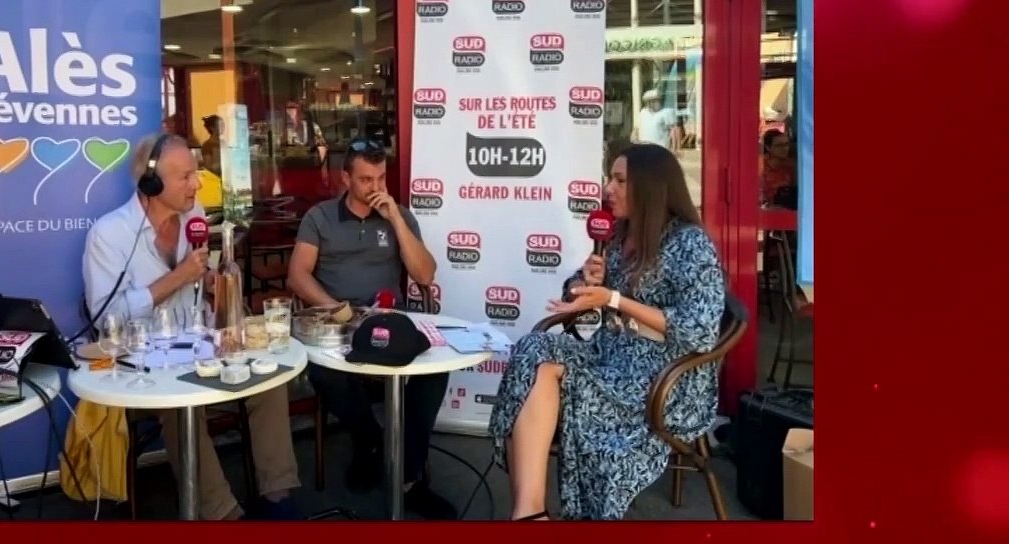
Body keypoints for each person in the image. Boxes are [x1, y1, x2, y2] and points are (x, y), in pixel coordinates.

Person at [488, 143, 726, 521]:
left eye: (619, 180)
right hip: (612, 355)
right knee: (534, 349)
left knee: (545, 368)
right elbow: (585, 293)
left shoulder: (690, 244)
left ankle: (529, 516)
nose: (607, 188)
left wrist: (614, 299)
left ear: (650, 187)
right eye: (609, 178)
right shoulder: (619, 235)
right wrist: (584, 282)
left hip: (665, 374)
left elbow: (699, 330)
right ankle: (530, 513)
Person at [82, 132, 301, 520]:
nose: (197, 184)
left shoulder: (194, 215)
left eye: (195, 174)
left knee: (270, 378)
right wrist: (180, 276)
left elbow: (201, 281)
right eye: (185, 177)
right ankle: (222, 513)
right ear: (151, 183)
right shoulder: (109, 234)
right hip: (147, 363)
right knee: (181, 408)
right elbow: (105, 319)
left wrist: (214, 282)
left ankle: (278, 497)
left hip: (200, 346)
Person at [286, 138, 457, 519]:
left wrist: (396, 219)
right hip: (338, 323)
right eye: (366, 179)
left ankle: (408, 473)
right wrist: (337, 309)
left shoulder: (400, 215)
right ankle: (371, 442)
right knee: (324, 372)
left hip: (391, 321)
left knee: (435, 371)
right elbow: (297, 276)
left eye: (380, 178)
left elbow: (425, 274)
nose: (375, 187)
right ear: (345, 178)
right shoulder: (321, 217)